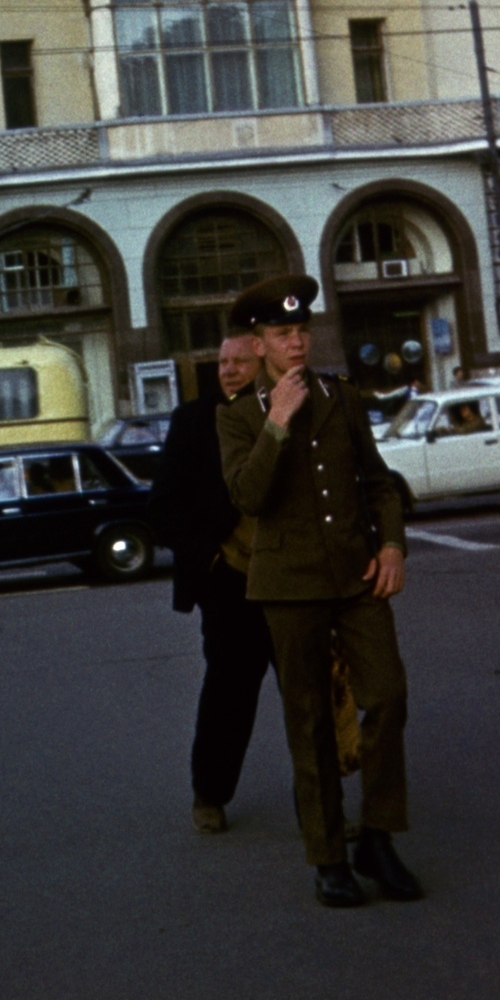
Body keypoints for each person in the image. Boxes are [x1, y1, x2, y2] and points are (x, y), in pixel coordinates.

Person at [217, 274, 421, 910]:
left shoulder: (341, 397)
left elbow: (380, 483)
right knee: (310, 724)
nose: (297, 342)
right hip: (289, 586)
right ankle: (328, 856)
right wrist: (276, 421)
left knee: (387, 696)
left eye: (303, 330)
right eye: (283, 334)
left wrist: (391, 545)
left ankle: (379, 838)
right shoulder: (237, 417)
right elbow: (249, 497)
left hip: (355, 577)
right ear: (259, 345)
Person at [150, 336, 276, 834]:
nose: (227, 370)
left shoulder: (285, 413)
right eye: (221, 361)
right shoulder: (193, 421)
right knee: (229, 692)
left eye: (239, 361)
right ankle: (210, 793)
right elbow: (162, 510)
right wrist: (209, 560)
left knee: (307, 694)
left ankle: (321, 800)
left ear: (262, 363)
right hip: (230, 583)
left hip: (291, 576)